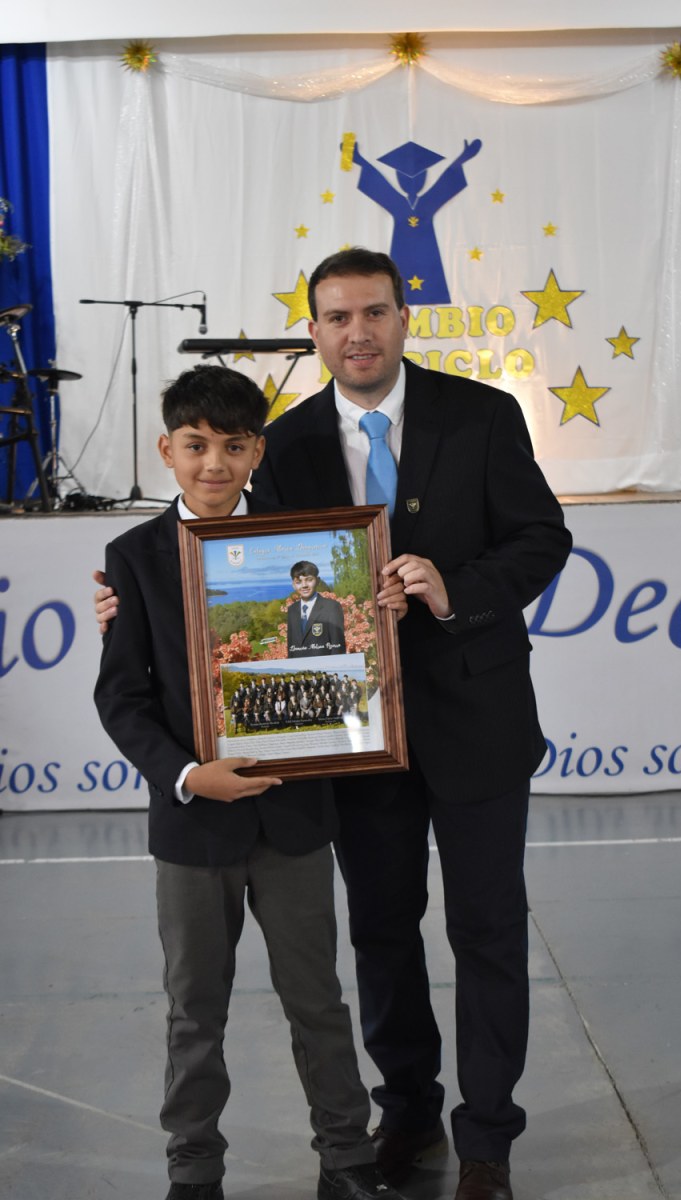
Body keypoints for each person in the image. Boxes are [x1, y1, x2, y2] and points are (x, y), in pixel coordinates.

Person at [95, 248, 572, 1200]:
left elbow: (542, 538)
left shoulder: (484, 415)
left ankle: (487, 1141)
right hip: (348, 737)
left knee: (487, 931)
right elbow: (227, 553)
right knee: (382, 933)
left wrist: (452, 589)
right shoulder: (285, 439)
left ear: (404, 318)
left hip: (476, 721)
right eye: (338, 317)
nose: (359, 332)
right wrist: (133, 597)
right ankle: (407, 1117)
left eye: (375, 313)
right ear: (313, 331)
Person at [93, 364, 408, 1200]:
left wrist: (375, 628)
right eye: (196, 446)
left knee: (319, 1000)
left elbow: (347, 664)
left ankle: (347, 1158)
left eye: (234, 447)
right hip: (195, 825)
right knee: (194, 1009)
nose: (214, 464)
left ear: (257, 452)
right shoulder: (133, 558)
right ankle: (194, 1171)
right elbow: (121, 699)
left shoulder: (311, 542)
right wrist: (188, 774)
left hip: (295, 817)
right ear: (166, 449)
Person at [286, 560, 346, 657]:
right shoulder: (292, 610)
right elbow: (291, 647)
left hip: (325, 666)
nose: (304, 585)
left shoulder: (331, 607)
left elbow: (338, 647)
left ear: (317, 580)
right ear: (293, 585)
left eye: (309, 580)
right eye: (298, 582)